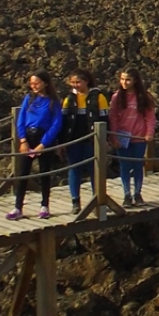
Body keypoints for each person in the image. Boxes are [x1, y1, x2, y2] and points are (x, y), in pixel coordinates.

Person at [6, 71, 63, 220]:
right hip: (29, 137)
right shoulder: (29, 99)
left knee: (44, 173)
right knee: (23, 173)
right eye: (31, 83)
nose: (34, 86)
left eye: (36, 83)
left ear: (45, 83)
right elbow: (21, 120)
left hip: (44, 138)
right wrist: (23, 140)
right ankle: (18, 207)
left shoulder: (53, 102)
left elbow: (56, 124)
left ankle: (45, 205)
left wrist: (43, 144)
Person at [60, 69, 110, 215]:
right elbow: (64, 121)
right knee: (74, 169)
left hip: (92, 139)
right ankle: (75, 201)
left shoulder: (99, 97)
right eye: (73, 82)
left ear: (86, 81)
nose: (75, 85)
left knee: (94, 169)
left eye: (78, 82)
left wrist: (106, 139)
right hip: (73, 139)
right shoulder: (69, 99)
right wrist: (61, 142)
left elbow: (105, 120)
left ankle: (98, 200)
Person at [108, 68, 155, 208]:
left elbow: (150, 117)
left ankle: (137, 193)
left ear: (135, 80)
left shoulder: (143, 97)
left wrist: (150, 133)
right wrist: (114, 136)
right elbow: (113, 117)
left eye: (127, 79)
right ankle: (127, 194)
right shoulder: (117, 97)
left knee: (138, 165)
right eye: (122, 79)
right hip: (123, 137)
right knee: (124, 166)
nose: (124, 82)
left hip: (139, 137)